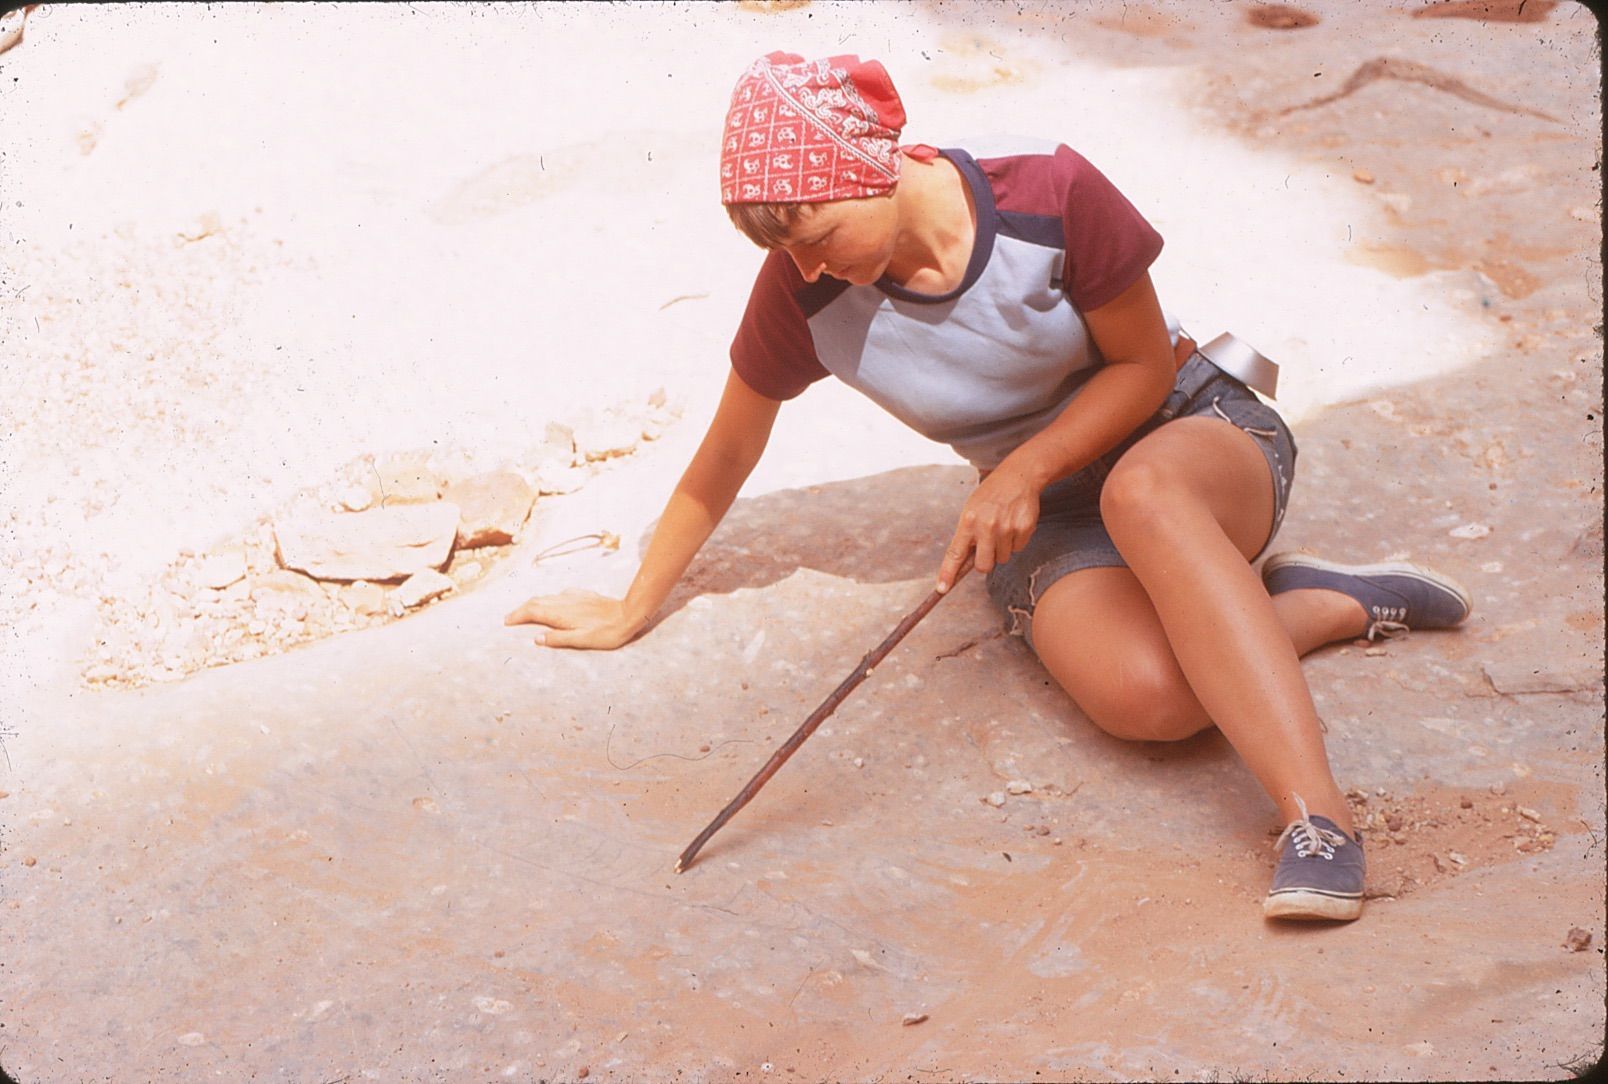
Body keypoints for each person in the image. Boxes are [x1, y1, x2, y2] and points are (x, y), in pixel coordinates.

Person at [505, 52, 1472, 921]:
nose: (806, 266)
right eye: (783, 252)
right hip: (1052, 512)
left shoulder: (1046, 186)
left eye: (818, 231)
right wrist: (636, 605)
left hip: (1188, 438)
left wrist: (1020, 466)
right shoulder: (802, 294)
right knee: (1150, 701)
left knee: (1142, 494)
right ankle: (1318, 604)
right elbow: (727, 451)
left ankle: (1318, 824)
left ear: (872, 166)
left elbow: (1138, 365)